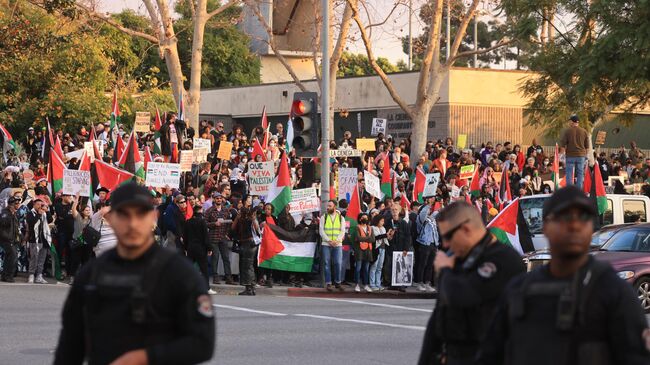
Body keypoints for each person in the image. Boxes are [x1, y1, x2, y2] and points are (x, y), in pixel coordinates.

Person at [476, 186, 650, 365]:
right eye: (564, 217)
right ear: (545, 226)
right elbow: (491, 355)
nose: (574, 225)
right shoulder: (519, 291)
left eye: (583, 218)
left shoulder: (615, 292)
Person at [418, 201, 525, 365]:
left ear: (465, 229)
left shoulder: (504, 260)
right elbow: (439, 316)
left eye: (447, 237)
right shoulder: (457, 257)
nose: (444, 244)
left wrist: (445, 271)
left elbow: (462, 295)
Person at [184, 204, 217, 295]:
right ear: (200, 211)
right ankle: (207, 288)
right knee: (204, 269)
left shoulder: (188, 222)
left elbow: (185, 236)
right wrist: (209, 248)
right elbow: (205, 236)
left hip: (190, 248)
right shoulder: (202, 222)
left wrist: (186, 248)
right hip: (200, 248)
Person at [205, 192, 235, 285]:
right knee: (215, 258)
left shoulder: (226, 210)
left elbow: (230, 224)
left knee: (226, 257)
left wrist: (227, 233)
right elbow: (204, 223)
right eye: (217, 198)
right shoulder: (209, 210)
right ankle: (215, 277)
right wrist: (214, 224)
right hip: (213, 237)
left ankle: (228, 277)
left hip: (223, 237)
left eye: (220, 198)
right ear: (214, 199)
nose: (219, 200)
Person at [384, 204, 412, 292]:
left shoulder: (403, 223)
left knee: (401, 266)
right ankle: (392, 284)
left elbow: (408, 237)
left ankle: (401, 284)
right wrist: (388, 236)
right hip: (390, 247)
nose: (394, 211)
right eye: (392, 210)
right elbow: (385, 235)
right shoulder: (388, 222)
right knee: (390, 266)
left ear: (399, 211)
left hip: (401, 248)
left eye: (396, 209)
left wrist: (406, 249)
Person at [319, 200, 345, 291]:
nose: (327, 207)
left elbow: (342, 231)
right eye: (327, 206)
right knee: (327, 263)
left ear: (335, 207)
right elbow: (321, 231)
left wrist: (337, 241)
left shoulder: (341, 218)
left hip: (338, 244)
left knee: (338, 263)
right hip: (326, 244)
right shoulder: (324, 217)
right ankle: (328, 283)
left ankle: (338, 282)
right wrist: (329, 241)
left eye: (330, 206)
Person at [26, 199, 53, 284]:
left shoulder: (44, 214)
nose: (39, 206)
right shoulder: (30, 213)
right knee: (34, 258)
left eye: (41, 205)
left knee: (41, 260)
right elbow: (31, 223)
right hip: (34, 239)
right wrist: (38, 214)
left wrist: (47, 210)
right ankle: (31, 275)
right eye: (38, 204)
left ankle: (39, 275)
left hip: (44, 239)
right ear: (34, 204)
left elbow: (50, 220)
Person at [232, 206, 259, 296]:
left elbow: (233, 228)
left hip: (247, 244)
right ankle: (252, 287)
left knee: (246, 266)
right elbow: (257, 229)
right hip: (252, 244)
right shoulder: (251, 219)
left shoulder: (243, 220)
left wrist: (237, 218)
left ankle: (248, 288)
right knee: (250, 265)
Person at [415, 196, 439, 293]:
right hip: (424, 243)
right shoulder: (420, 219)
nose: (429, 211)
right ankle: (419, 282)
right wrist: (428, 204)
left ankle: (427, 283)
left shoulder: (432, 219)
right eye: (427, 210)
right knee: (422, 264)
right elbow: (424, 213)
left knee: (430, 264)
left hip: (433, 243)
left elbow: (438, 212)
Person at [561, 115, 589, 189]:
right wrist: (586, 155)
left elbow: (563, 144)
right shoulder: (584, 131)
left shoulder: (567, 131)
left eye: (570, 121)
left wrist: (561, 155)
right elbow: (587, 146)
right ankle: (579, 190)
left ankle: (570, 190)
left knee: (569, 173)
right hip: (581, 156)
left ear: (572, 122)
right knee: (580, 173)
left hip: (570, 155)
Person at [0, 196, 21, 282]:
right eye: (16, 203)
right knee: (12, 257)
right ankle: (8, 275)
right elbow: (3, 224)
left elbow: (16, 227)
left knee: (10, 257)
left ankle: (5, 275)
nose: (18, 204)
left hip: (13, 239)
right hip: (6, 239)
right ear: (12, 204)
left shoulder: (14, 213)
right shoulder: (5, 213)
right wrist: (11, 215)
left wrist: (21, 237)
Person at [353, 212, 375, 293]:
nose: (365, 219)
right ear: (360, 219)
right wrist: (367, 238)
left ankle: (365, 284)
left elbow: (373, 239)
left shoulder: (370, 228)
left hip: (368, 251)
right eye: (363, 217)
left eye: (366, 217)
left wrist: (364, 238)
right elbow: (357, 238)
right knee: (358, 268)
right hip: (359, 250)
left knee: (366, 268)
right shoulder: (357, 227)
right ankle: (357, 284)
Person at [369, 216, 390, 291]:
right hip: (376, 249)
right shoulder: (372, 227)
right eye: (381, 221)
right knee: (374, 266)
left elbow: (385, 238)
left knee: (380, 267)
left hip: (383, 248)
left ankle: (378, 283)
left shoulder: (383, 228)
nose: (383, 223)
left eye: (383, 221)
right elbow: (375, 237)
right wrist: (385, 235)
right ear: (377, 221)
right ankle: (372, 284)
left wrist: (389, 235)